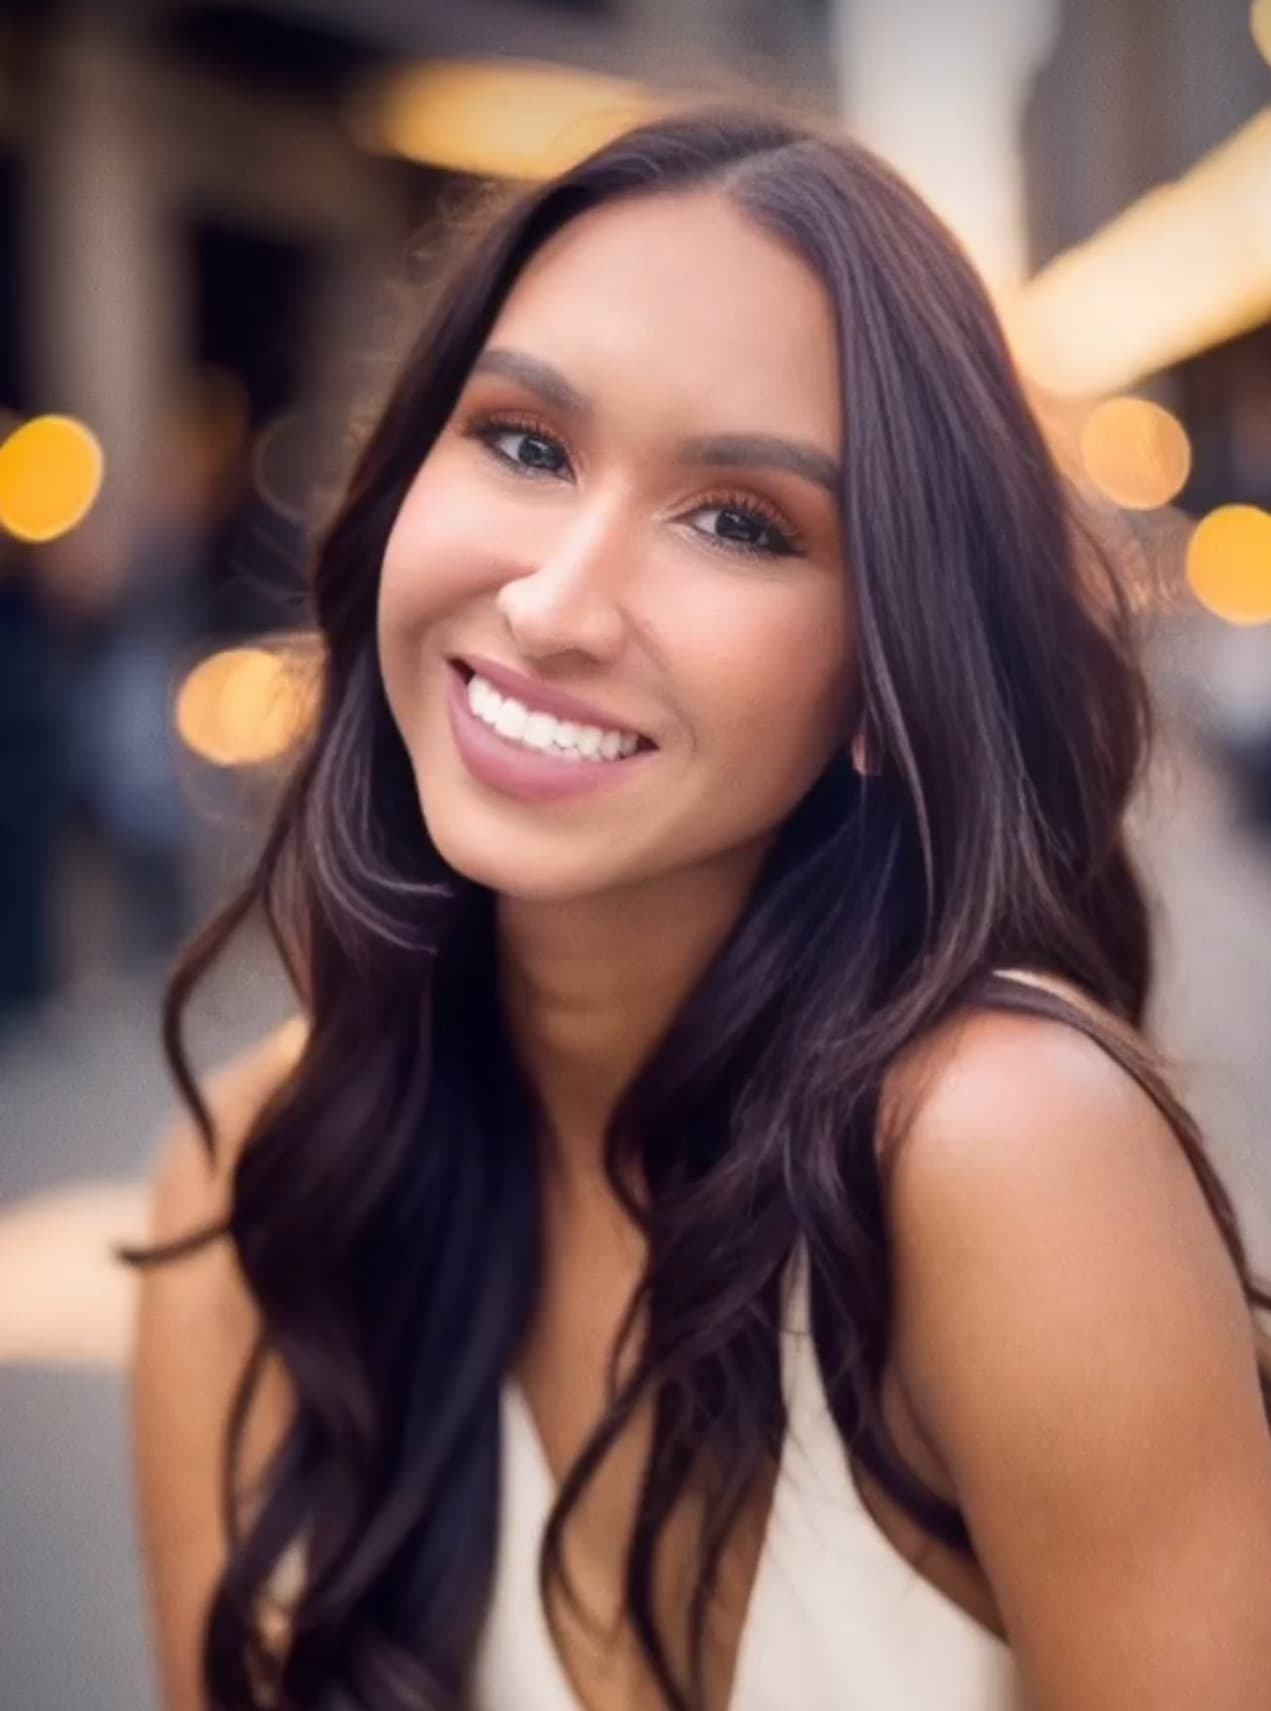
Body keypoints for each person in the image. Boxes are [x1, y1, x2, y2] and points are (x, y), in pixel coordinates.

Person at [129, 107, 1271, 1711]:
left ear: (890, 675)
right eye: (526, 442)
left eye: (740, 523)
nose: (554, 603)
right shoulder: (253, 1195)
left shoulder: (1002, 1155)